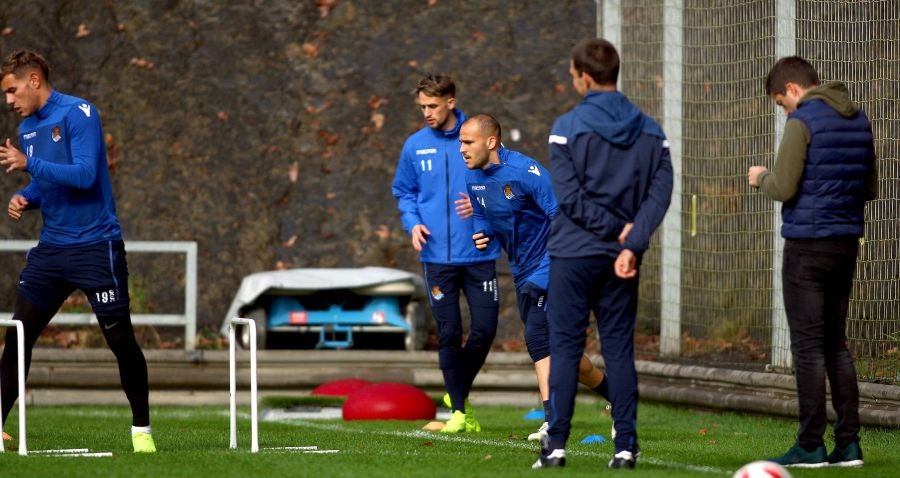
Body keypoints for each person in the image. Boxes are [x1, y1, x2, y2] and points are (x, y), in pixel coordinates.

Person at [0, 50, 156, 453]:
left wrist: (29, 164)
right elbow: (47, 183)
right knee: (18, 335)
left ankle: (142, 430)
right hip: (52, 250)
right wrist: (26, 197)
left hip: (95, 246)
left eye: (12, 91)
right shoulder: (28, 130)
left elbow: (85, 176)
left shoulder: (80, 113)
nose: (9, 101)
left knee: (120, 339)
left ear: (34, 80)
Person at [534, 38, 672, 470]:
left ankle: (555, 447)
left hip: (574, 254)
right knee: (618, 351)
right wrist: (631, 241)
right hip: (622, 259)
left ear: (584, 76)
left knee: (565, 346)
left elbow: (570, 200)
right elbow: (661, 191)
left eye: (572, 74)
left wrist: (618, 233)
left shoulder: (566, 127)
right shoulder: (652, 129)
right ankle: (626, 447)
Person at [748, 56, 876, 468]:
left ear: (793, 89)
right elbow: (869, 186)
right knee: (836, 343)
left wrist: (760, 178)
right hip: (846, 243)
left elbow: (784, 186)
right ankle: (849, 443)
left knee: (807, 347)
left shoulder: (802, 121)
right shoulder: (859, 120)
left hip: (806, 246)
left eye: (780, 102)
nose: (784, 110)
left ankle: (810, 443)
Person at [460, 114, 612, 442]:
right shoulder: (473, 177)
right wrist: (481, 234)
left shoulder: (525, 172)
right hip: (523, 269)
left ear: (491, 142)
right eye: (460, 142)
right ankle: (616, 395)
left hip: (556, 263)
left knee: (537, 338)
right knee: (568, 356)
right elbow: (481, 213)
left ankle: (554, 422)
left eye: (468, 142)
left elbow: (561, 215)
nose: (462, 148)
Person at [391, 74, 501, 433]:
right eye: (422, 106)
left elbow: (504, 183)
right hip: (436, 257)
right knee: (450, 332)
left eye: (433, 106)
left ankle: (457, 392)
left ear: (451, 102)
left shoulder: (476, 137)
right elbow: (404, 192)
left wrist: (484, 204)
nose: (427, 112)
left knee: (484, 330)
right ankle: (458, 413)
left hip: (480, 253)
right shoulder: (414, 146)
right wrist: (413, 224)